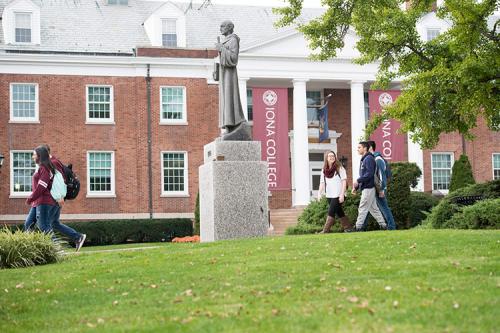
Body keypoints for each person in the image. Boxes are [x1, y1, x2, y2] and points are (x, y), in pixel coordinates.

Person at [25, 145, 86, 251]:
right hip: (41, 200)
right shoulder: (46, 165)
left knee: (44, 225)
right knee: (37, 223)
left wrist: (60, 196)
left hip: (49, 199)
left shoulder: (52, 164)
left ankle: (58, 248)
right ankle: (78, 237)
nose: (32, 157)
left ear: (42, 154)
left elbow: (57, 182)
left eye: (34, 154)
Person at [215, 20, 251, 141]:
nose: (220, 28)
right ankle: (229, 127)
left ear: (229, 28)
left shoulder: (233, 40)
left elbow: (234, 59)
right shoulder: (226, 40)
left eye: (222, 26)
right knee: (225, 99)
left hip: (230, 74)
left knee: (230, 97)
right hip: (224, 74)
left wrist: (222, 49)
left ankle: (235, 122)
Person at [360, 141, 396, 230]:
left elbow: (381, 175)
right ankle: (361, 227)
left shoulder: (377, 159)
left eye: (366, 147)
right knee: (367, 208)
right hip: (372, 187)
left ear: (370, 148)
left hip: (379, 188)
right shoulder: (371, 158)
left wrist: (382, 189)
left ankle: (391, 227)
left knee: (384, 208)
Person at [351, 141, 387, 231]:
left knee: (362, 207)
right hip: (367, 187)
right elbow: (365, 174)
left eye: (359, 147)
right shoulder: (365, 159)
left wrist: (358, 180)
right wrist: (356, 186)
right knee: (374, 209)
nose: (357, 149)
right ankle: (383, 226)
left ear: (365, 148)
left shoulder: (368, 159)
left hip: (368, 188)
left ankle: (358, 227)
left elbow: (369, 174)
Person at [317, 150, 354, 233]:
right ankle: (348, 228)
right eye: (330, 156)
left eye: (333, 156)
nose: (332, 157)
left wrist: (342, 195)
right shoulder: (323, 170)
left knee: (331, 211)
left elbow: (344, 182)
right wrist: (319, 193)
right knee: (339, 211)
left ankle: (325, 230)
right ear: (326, 158)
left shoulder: (339, 168)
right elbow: (322, 183)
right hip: (329, 195)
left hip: (338, 194)